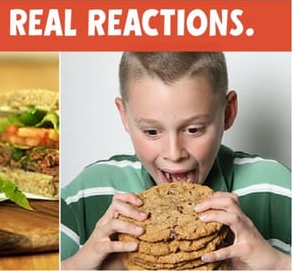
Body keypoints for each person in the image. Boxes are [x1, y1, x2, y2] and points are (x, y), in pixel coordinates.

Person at [61, 52, 291, 270]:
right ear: (125, 117)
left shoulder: (276, 187)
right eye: (152, 131)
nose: (174, 153)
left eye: (193, 129)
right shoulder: (84, 195)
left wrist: (278, 265)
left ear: (227, 113)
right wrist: (78, 266)